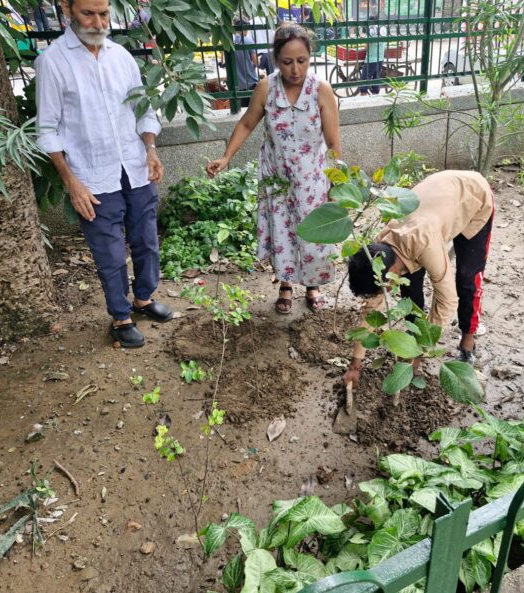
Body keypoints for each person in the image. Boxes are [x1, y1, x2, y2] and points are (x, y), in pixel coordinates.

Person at [35, 0, 172, 349]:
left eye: (104, 14)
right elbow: (48, 129)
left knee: (146, 241)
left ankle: (142, 299)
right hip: (91, 175)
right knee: (109, 254)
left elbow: (144, 110)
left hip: (135, 167)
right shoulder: (53, 62)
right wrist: (71, 181)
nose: (97, 22)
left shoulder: (122, 58)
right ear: (68, 12)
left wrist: (151, 149)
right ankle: (120, 317)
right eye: (88, 14)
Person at [206, 22, 341, 314]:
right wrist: (227, 156)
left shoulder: (321, 90)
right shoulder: (267, 87)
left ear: (310, 57)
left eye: (302, 61)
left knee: (310, 231)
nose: (295, 69)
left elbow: (333, 143)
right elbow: (246, 123)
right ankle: (286, 285)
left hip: (311, 179)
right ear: (275, 60)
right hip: (275, 176)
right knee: (282, 232)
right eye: (287, 62)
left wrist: (338, 183)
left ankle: (312, 285)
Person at [342, 170, 495, 387]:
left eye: (383, 286)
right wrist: (355, 365)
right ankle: (413, 339)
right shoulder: (381, 250)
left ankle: (467, 345)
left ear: (392, 273)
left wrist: (419, 352)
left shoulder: (426, 243)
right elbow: (372, 307)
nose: (385, 290)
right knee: (410, 294)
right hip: (437, 202)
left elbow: (447, 300)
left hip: (473, 196)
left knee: (467, 279)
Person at [231, 18, 260, 108]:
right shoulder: (248, 41)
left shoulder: (231, 42)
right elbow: (256, 62)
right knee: (253, 108)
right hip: (250, 81)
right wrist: (258, 60)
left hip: (237, 84)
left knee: (242, 109)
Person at [360, 13, 385, 96]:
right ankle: (375, 96)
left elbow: (366, 47)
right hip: (380, 58)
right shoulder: (383, 29)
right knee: (376, 78)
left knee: (364, 81)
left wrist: (363, 46)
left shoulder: (371, 31)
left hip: (371, 60)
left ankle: (363, 99)